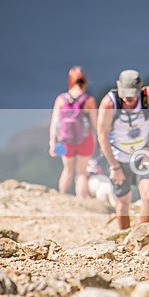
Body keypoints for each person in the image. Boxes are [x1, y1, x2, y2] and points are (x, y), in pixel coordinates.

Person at [97, 69, 149, 230]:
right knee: (123, 201)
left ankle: (142, 233)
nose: (128, 99)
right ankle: (124, 235)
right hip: (119, 158)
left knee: (148, 195)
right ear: (118, 86)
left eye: (132, 95)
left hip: (143, 154)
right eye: (125, 94)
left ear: (140, 88)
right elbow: (102, 136)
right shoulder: (109, 104)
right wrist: (114, 167)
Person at [49, 66, 98, 199]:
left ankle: (62, 198)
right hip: (85, 140)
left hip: (65, 141)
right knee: (81, 173)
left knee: (67, 170)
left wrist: (52, 143)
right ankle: (81, 200)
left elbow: (54, 123)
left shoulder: (61, 99)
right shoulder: (89, 100)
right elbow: (95, 124)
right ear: (85, 82)